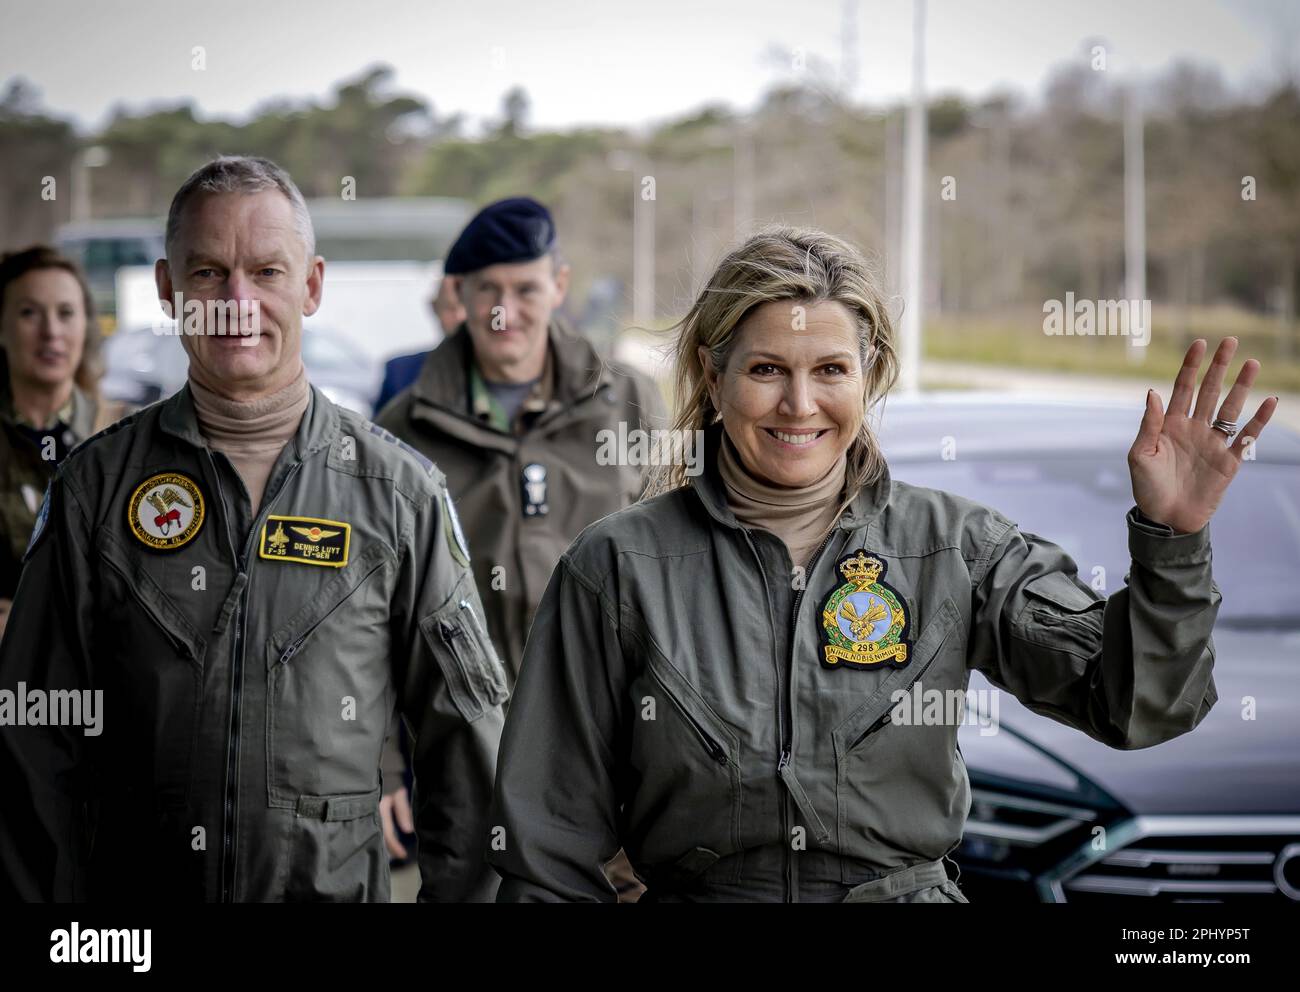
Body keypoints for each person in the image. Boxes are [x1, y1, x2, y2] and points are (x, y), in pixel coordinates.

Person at [487, 226, 1277, 902]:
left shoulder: (959, 549)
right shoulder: (618, 565)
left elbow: (1138, 706)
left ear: (870, 376)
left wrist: (1171, 542)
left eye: (831, 370)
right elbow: (548, 839)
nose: (801, 405)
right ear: (714, 375)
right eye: (767, 370)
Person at [0, 155, 505, 902]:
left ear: (312, 286)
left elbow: (467, 750)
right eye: (207, 274)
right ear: (169, 292)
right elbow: (33, 745)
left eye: (266, 272)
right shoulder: (95, 490)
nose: (236, 301)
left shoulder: (400, 497)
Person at [376, 196, 664, 898]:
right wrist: (380, 763)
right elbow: (371, 614)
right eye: (489, 292)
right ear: (459, 295)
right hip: (465, 767)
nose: (507, 311)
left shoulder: (630, 404)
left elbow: (680, 582)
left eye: (526, 289)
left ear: (559, 286)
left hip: (616, 761)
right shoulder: (401, 431)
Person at [0, 247, 117, 640]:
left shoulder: (122, 438)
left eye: (66, 313)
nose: (51, 331)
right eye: (29, 312)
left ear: (85, 325)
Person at [373, 275, 465, 414]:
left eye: (467, 307)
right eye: (450, 308)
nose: (459, 317)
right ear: (434, 308)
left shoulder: (504, 373)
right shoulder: (400, 373)